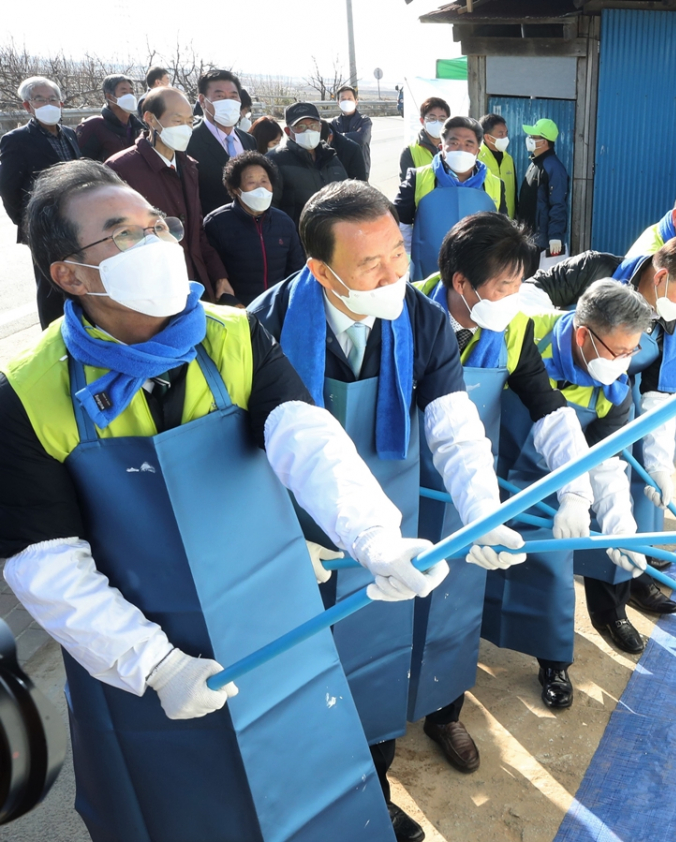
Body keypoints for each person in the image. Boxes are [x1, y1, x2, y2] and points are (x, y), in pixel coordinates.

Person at [0, 159, 450, 841]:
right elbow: (44, 564)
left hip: (265, 616)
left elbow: (308, 440)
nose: (156, 244)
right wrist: (155, 664)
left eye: (158, 225)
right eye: (124, 235)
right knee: (177, 801)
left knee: (300, 762)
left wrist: (374, 538)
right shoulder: (28, 391)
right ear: (68, 274)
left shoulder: (230, 333)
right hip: (136, 644)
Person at [250, 181, 526, 842]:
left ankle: (373, 789)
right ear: (319, 268)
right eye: (370, 263)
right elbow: (248, 448)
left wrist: (482, 512)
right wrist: (274, 536)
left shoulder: (420, 320)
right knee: (292, 675)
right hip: (295, 530)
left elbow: (456, 431)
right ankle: (306, 801)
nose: (394, 274)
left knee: (374, 665)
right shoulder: (260, 324)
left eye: (398, 253)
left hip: (386, 525)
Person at [413, 212, 596, 751]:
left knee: (454, 604)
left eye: (521, 283)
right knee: (391, 606)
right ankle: (376, 728)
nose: (515, 297)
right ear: (460, 283)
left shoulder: (512, 329)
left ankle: (444, 712)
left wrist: (576, 489)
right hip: (398, 487)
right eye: (504, 285)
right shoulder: (404, 318)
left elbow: (550, 409)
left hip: (467, 494)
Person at [528, 236, 676, 640]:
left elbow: (659, 395)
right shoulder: (595, 271)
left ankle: (616, 599)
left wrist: (660, 466)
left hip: (608, 408)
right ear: (661, 276)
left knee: (615, 508)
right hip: (547, 398)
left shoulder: (665, 328)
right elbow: (531, 291)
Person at [484, 279, 654, 702]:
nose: (625, 362)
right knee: (471, 572)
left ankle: (554, 665)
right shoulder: (521, 334)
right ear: (583, 335)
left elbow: (607, 459)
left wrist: (619, 524)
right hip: (486, 473)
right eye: (619, 351)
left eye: (634, 351)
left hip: (555, 485)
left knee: (552, 573)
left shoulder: (614, 385)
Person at [106, 87, 235, 304]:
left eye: (189, 122)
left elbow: (197, 230)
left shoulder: (189, 166)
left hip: (194, 282)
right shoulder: (121, 169)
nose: (185, 128)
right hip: (152, 290)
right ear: (151, 119)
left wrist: (218, 275)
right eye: (177, 121)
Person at [0, 76, 81, 328]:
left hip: (76, 222)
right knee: (50, 288)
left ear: (61, 103)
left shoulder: (69, 134)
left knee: (77, 279)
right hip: (44, 227)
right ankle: (53, 339)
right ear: (27, 106)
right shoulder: (17, 139)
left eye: (53, 99)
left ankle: (80, 331)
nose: (48, 104)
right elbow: (9, 189)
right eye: (40, 99)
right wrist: (31, 225)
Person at [394, 115, 504, 279]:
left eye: (469, 144)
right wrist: (409, 257)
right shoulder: (418, 178)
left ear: (477, 151)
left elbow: (503, 229)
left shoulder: (494, 184)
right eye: (454, 143)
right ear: (441, 147)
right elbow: (398, 222)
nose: (461, 149)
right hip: (427, 275)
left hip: (477, 276)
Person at [203, 151, 304, 306]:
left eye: (265, 181)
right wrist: (232, 303)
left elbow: (296, 270)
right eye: (251, 182)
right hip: (238, 314)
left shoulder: (284, 222)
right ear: (236, 189)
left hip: (277, 310)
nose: (260, 188)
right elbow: (213, 274)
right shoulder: (216, 223)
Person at [187, 69, 256, 216]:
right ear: (202, 100)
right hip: (211, 230)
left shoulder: (248, 140)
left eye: (233, 96)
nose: (228, 102)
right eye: (220, 96)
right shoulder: (189, 141)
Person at [266, 101, 349, 225]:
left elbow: (348, 196)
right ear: (288, 131)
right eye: (301, 127)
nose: (308, 131)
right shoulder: (275, 161)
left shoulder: (331, 158)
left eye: (313, 125)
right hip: (297, 240)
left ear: (320, 127)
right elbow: (270, 211)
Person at [516, 118, 569, 268]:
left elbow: (558, 204)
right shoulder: (535, 163)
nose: (529, 139)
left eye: (534, 137)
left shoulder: (554, 168)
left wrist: (555, 236)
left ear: (544, 142)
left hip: (542, 241)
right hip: (529, 237)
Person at [76, 74, 145, 162]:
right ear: (109, 96)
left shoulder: (137, 128)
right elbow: (83, 164)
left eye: (131, 92)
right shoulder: (93, 126)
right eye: (124, 92)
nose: (130, 97)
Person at [478, 113, 516, 217]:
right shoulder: (476, 158)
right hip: (485, 221)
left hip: (507, 220)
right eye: (501, 134)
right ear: (488, 137)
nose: (505, 137)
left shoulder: (508, 159)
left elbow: (513, 191)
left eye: (506, 133)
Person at [398, 96, 448, 175]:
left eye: (442, 119)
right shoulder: (409, 152)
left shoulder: (455, 147)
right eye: (432, 118)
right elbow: (407, 185)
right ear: (422, 121)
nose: (437, 123)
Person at [332, 85, 373, 176]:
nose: (346, 101)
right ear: (338, 102)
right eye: (343, 99)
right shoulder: (334, 123)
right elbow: (330, 142)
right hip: (339, 171)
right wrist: (353, 134)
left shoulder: (364, 120)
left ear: (356, 101)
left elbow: (361, 138)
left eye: (350, 98)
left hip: (360, 169)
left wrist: (337, 136)